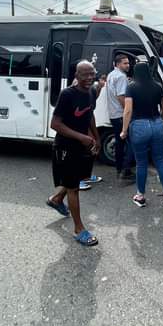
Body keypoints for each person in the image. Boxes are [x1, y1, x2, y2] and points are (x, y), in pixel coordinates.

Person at [47, 60, 100, 246]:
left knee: (76, 180)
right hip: (65, 148)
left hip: (82, 146)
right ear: (76, 76)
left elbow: (89, 113)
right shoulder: (67, 94)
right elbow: (55, 124)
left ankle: (56, 199)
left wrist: (96, 136)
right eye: (85, 74)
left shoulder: (92, 91)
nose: (89, 78)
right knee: (74, 188)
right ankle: (79, 229)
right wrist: (80, 137)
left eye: (92, 73)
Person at [120, 62, 163, 208]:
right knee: (160, 160)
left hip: (139, 126)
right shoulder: (157, 86)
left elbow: (128, 110)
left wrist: (124, 130)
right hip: (156, 124)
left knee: (141, 163)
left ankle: (141, 196)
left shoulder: (131, 87)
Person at [106, 54, 134, 179]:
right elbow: (121, 97)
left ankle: (119, 168)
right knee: (131, 142)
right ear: (118, 64)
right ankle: (125, 170)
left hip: (113, 114)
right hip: (120, 114)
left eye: (128, 63)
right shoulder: (121, 77)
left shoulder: (111, 75)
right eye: (125, 63)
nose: (128, 65)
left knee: (120, 142)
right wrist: (128, 111)